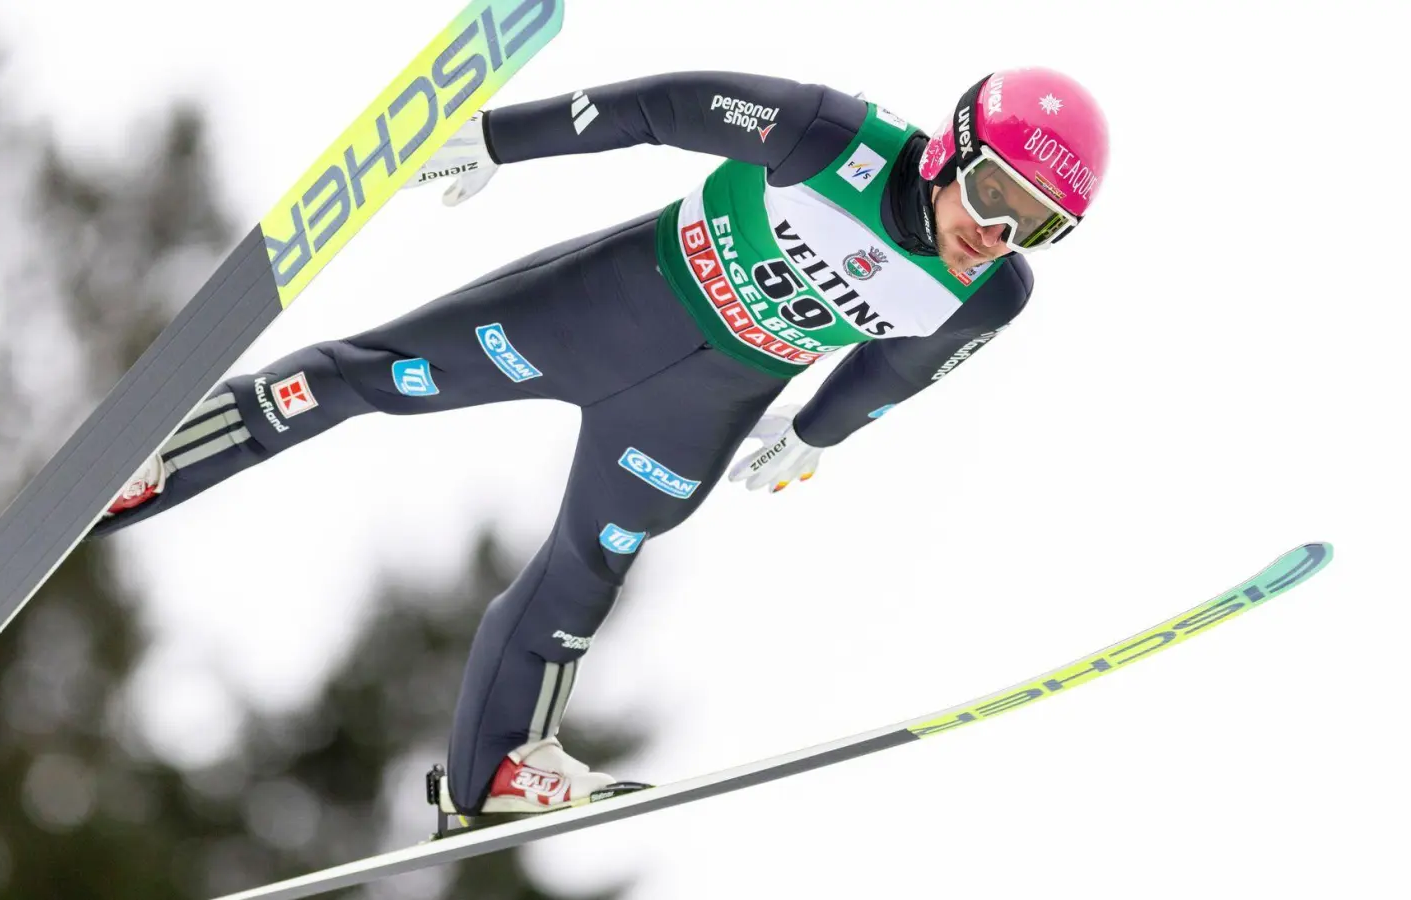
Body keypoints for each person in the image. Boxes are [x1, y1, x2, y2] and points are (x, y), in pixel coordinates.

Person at [89, 67, 1110, 825]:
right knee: (371, 375)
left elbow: (899, 368)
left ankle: (493, 770)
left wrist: (813, 432)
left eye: (1034, 225)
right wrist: (498, 137)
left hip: (694, 410)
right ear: (948, 149)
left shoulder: (992, 292)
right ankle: (160, 457)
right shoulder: (830, 138)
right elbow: (657, 109)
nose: (995, 232)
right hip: (603, 309)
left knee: (591, 564)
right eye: (991, 194)